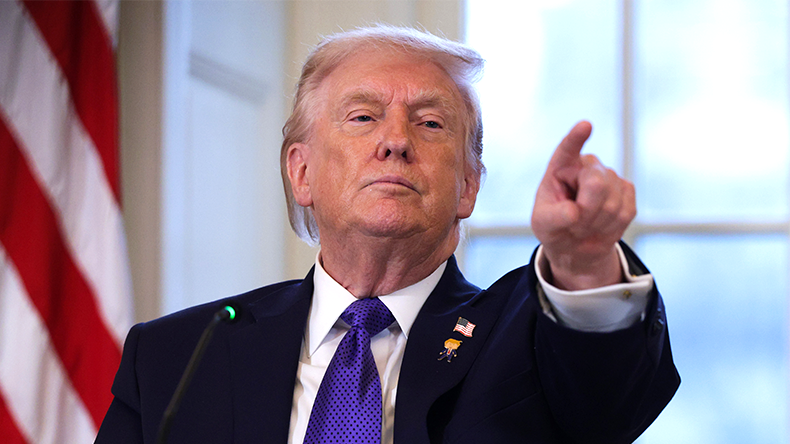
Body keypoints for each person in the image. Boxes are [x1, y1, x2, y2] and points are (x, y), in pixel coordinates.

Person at [95, 25, 679, 443]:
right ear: (302, 173)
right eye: (363, 117)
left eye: (429, 123)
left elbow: (607, 402)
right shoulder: (176, 356)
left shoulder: (523, 334)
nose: (395, 141)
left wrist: (583, 262)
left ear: (468, 187)